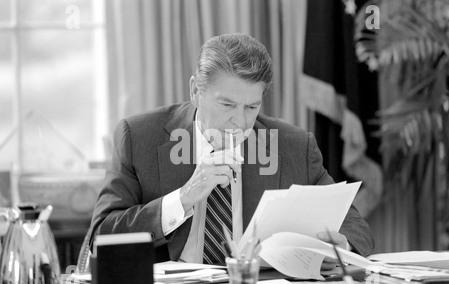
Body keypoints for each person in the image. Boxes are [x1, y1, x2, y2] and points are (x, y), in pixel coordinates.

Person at [89, 33, 374, 269]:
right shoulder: (138, 138)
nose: (239, 121)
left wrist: (342, 245)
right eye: (226, 105)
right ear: (195, 91)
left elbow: (354, 225)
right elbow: (101, 237)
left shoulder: (294, 146)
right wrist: (184, 198)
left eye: (252, 107)